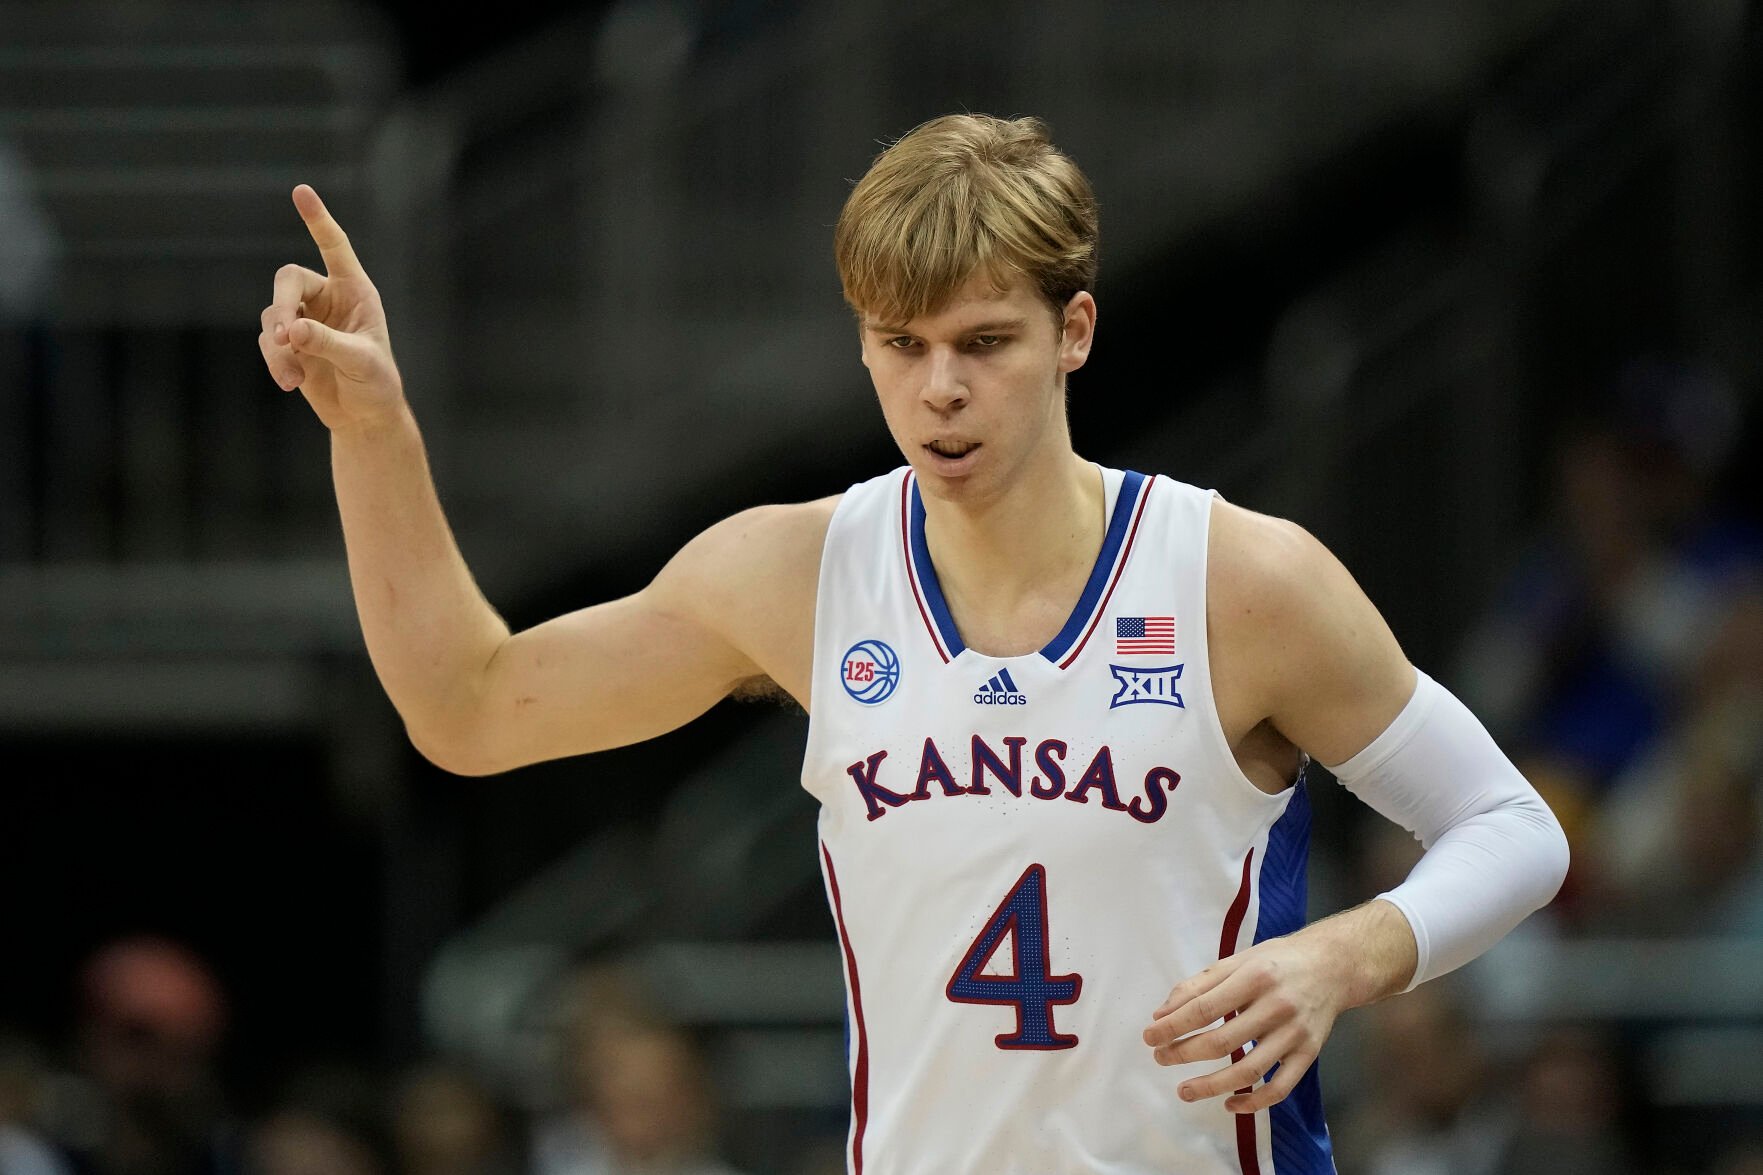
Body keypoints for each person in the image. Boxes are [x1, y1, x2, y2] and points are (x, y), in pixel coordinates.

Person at [256, 114, 1569, 1174]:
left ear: (1075, 332)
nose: (938, 388)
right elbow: (470, 709)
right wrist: (374, 436)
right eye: (901, 346)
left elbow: (1515, 828)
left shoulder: (1241, 580)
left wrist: (1341, 955)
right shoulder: (796, 572)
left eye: (984, 344)